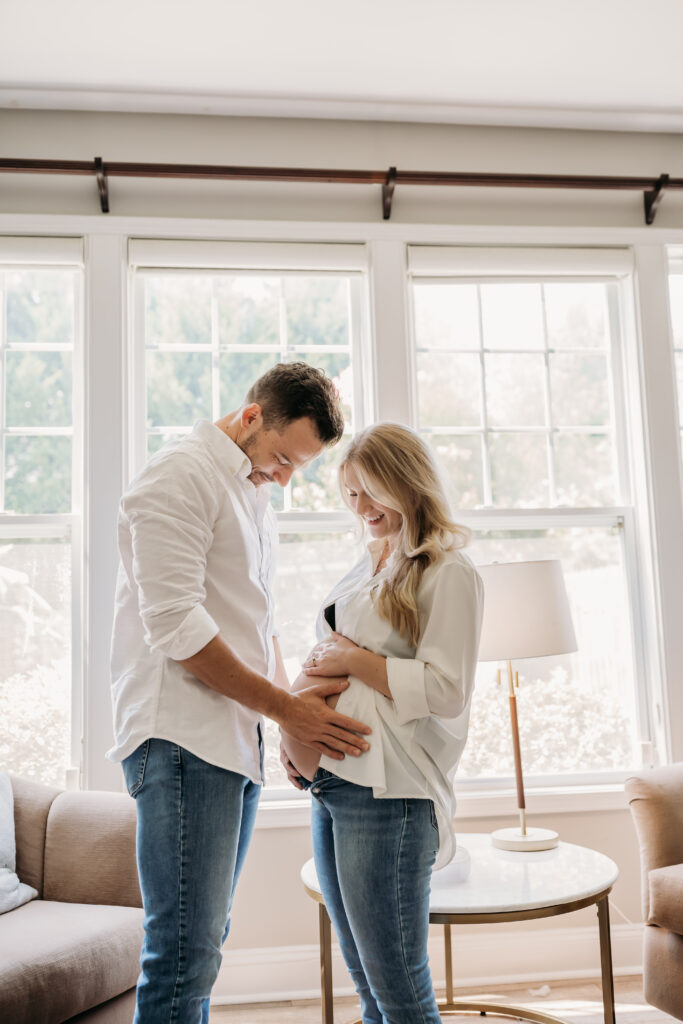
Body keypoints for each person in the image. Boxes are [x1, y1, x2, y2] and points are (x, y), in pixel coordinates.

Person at [107, 362, 372, 1024]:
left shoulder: (250, 493)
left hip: (231, 739)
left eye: (297, 468)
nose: (284, 479)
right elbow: (177, 626)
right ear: (251, 416)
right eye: (282, 459)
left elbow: (254, 622)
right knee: (182, 954)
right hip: (180, 737)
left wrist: (280, 722)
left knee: (202, 945)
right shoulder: (179, 477)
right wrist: (288, 712)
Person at [280, 423, 484, 1024]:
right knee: (369, 988)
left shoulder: (448, 571)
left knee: (398, 991)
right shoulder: (372, 561)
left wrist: (353, 661)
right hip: (332, 782)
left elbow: (446, 690)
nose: (361, 506)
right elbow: (332, 656)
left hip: (387, 792)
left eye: (371, 490)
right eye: (351, 493)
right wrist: (294, 731)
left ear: (408, 482)